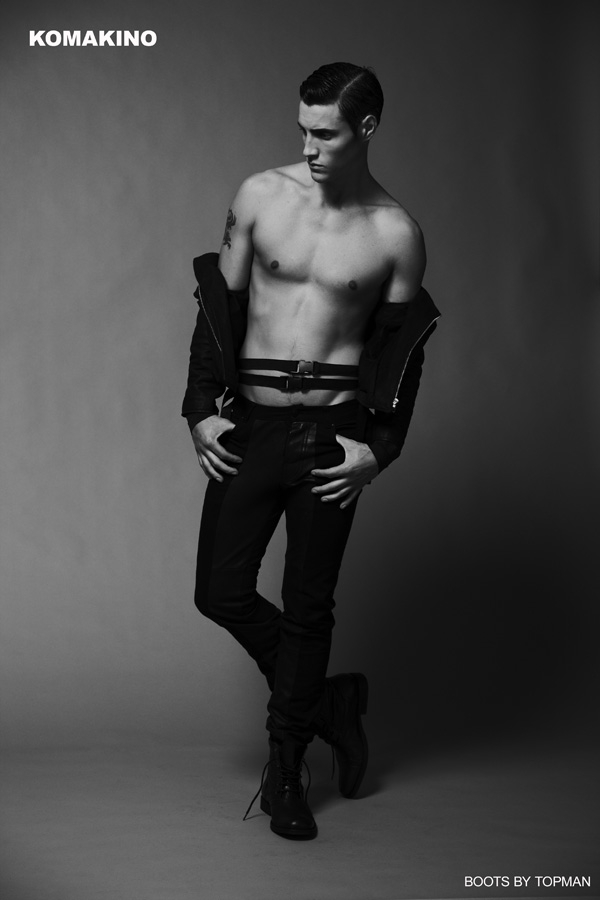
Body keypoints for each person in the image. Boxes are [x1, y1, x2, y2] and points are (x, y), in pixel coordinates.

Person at [182, 62, 440, 840]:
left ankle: (287, 768)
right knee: (220, 591)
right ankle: (327, 700)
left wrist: (379, 450)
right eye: (302, 129)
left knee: (308, 605)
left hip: (331, 438)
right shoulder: (261, 196)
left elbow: (403, 352)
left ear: (367, 128)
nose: (309, 146)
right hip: (254, 427)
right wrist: (199, 410)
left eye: (325, 133)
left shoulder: (395, 234)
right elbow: (217, 306)